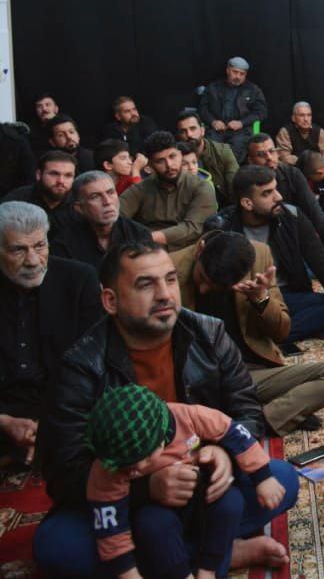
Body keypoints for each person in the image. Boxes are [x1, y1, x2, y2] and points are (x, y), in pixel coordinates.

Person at [35, 240, 298, 576]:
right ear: (111, 300)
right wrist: (147, 488)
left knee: (283, 479)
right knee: (57, 546)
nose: (164, 295)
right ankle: (220, 553)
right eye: (146, 284)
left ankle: (185, 555)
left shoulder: (210, 333)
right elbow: (63, 474)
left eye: (170, 280)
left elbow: (247, 411)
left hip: (202, 486)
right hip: (128, 505)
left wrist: (224, 454)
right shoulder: (81, 365)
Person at [82, 384, 285, 579]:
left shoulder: (188, 416)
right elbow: (110, 524)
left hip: (203, 496)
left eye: (146, 458)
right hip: (154, 509)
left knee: (233, 501)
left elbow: (235, 432)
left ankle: (209, 569)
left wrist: (262, 476)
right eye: (129, 467)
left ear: (161, 438)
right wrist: (129, 573)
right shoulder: (107, 465)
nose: (140, 468)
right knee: (151, 524)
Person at [175, 231, 324, 434]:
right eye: (202, 278)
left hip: (249, 375)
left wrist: (260, 299)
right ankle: (254, 415)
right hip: (199, 384)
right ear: (200, 250)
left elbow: (281, 332)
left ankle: (260, 420)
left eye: (214, 286)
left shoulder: (259, 257)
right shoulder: (169, 270)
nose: (202, 289)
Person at [0, 202, 102, 465]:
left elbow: (95, 364)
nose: (33, 261)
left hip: (64, 408)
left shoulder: (79, 280)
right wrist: (4, 422)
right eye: (18, 250)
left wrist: (49, 423)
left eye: (40, 246)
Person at [222, 165, 324, 345]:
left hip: (286, 294)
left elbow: (322, 263)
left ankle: (264, 337)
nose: (278, 197)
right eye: (267, 193)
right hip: (245, 299)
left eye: (276, 189)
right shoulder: (223, 227)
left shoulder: (291, 216)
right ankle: (264, 336)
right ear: (247, 203)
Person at [119, 132, 218, 250]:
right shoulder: (142, 188)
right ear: (150, 165)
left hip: (188, 250)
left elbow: (193, 228)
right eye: (160, 161)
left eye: (172, 156)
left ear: (180, 155)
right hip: (146, 250)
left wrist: (145, 237)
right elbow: (116, 215)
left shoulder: (201, 187)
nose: (169, 165)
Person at [53, 171, 151, 269]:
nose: (107, 202)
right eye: (95, 197)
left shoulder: (138, 234)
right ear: (79, 208)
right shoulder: (64, 243)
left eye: (110, 193)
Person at [243, 132, 324, 243]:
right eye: (261, 154)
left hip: (294, 230)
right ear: (250, 161)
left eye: (271, 151)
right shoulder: (244, 182)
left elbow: (313, 210)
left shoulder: (292, 174)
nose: (269, 157)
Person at [198, 57, 268, 161]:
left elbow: (261, 112)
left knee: (236, 151)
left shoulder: (253, 90)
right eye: (235, 72)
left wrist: (241, 123)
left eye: (242, 74)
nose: (238, 77)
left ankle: (231, 171)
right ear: (228, 70)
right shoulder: (213, 88)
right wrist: (213, 122)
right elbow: (202, 109)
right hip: (216, 129)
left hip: (241, 131)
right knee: (211, 150)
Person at [2, 149, 78, 238]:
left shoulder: (79, 204)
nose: (61, 181)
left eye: (68, 175)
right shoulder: (17, 200)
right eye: (54, 174)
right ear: (39, 175)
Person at [176, 108, 239, 206]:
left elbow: (235, 186)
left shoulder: (223, 151)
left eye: (193, 128)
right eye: (183, 131)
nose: (189, 134)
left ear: (202, 130)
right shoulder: (175, 157)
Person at [275, 101, 324, 166]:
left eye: (309, 115)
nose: (306, 119)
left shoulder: (320, 132)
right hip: (293, 168)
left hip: (316, 168)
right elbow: (284, 157)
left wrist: (316, 163)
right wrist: (306, 162)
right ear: (293, 118)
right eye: (302, 115)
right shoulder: (285, 132)